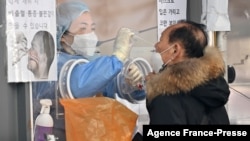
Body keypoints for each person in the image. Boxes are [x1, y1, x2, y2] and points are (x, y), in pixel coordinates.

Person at [32, 1, 143, 140]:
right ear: (63, 36)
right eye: (82, 29)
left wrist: (130, 82)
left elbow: (108, 83)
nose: (90, 35)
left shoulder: (88, 61)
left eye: (92, 28)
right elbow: (79, 84)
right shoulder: (56, 63)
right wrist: (117, 57)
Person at [145, 20, 230, 125]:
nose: (156, 45)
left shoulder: (165, 97)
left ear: (175, 50)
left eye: (161, 39)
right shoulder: (213, 88)